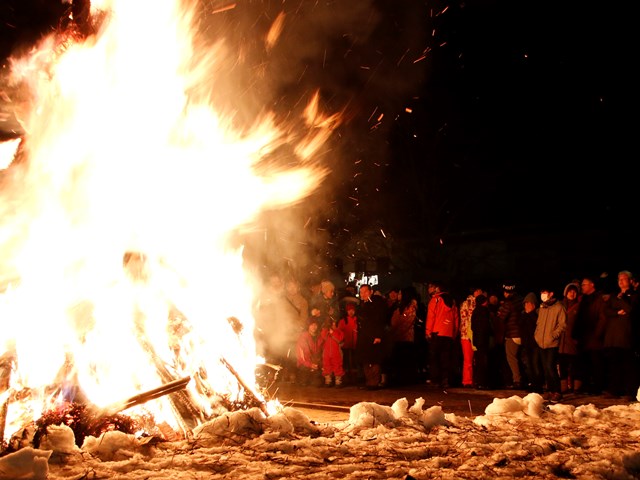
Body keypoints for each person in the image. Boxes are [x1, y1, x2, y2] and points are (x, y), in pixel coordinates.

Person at [602, 270, 638, 399]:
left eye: (623, 279)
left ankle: (630, 392)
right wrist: (617, 312)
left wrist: (622, 299)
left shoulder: (633, 295)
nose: (621, 281)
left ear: (630, 281)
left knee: (629, 365)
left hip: (626, 335)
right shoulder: (614, 295)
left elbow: (630, 309)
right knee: (614, 364)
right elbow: (606, 310)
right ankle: (614, 390)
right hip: (613, 336)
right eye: (619, 279)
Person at [572, 276, 608, 395]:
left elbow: (602, 318)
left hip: (594, 338)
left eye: (584, 285)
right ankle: (587, 385)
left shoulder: (599, 299)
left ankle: (598, 386)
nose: (581, 287)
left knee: (596, 362)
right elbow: (579, 318)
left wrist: (597, 334)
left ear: (592, 285)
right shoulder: (584, 300)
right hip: (584, 337)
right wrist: (575, 334)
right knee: (585, 363)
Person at [534, 286, 567, 402]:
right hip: (541, 342)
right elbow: (539, 323)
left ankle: (557, 391)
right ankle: (549, 390)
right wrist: (537, 335)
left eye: (545, 292)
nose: (542, 294)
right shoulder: (542, 307)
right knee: (545, 367)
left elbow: (562, 324)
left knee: (550, 366)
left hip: (552, 342)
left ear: (551, 293)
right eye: (541, 292)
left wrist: (554, 335)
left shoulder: (559, 307)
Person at [425, 281, 460, 389]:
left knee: (435, 358)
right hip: (448, 333)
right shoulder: (452, 301)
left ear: (438, 289)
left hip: (437, 332)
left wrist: (428, 331)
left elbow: (431, 317)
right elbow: (456, 319)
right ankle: (446, 380)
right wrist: (454, 333)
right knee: (446, 358)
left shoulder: (435, 300)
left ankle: (436, 380)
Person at [356, 283, 389, 389]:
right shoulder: (363, 304)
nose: (363, 294)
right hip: (365, 336)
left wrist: (378, 335)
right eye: (361, 292)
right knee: (366, 359)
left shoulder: (377, 303)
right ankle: (369, 382)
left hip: (373, 335)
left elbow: (379, 320)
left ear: (371, 292)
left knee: (374, 360)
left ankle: (374, 382)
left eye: (365, 291)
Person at [497, 283, 524, 389]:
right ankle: (524, 378)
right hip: (522, 333)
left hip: (512, 334)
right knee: (521, 358)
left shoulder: (508, 303)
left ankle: (517, 380)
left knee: (511, 358)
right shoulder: (521, 300)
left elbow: (501, 318)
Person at [388, 297, 419, 386]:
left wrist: (397, 331)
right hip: (399, 337)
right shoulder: (399, 306)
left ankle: (405, 379)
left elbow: (408, 322)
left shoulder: (410, 308)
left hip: (406, 338)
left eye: (401, 293)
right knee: (400, 359)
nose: (399, 295)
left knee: (405, 359)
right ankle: (400, 378)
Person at [458, 287, 484, 388]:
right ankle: (469, 380)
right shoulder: (470, 303)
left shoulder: (470, 303)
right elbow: (466, 319)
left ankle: (469, 380)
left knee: (470, 359)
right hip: (469, 334)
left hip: (468, 334)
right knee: (470, 359)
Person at [559, 282, 581, 394]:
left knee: (575, 365)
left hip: (573, 340)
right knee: (562, 365)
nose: (572, 293)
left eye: (574, 291)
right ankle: (564, 388)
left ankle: (576, 387)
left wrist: (577, 337)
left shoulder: (579, 306)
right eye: (570, 291)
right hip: (561, 341)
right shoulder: (560, 305)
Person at [519, 292, 542, 393]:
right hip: (526, 344)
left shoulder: (537, 315)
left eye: (530, 303)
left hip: (535, 344)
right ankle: (532, 383)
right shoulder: (523, 316)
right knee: (528, 366)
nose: (527, 306)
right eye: (526, 303)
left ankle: (538, 385)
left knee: (536, 365)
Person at [470, 294, 492, 390]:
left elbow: (472, 326)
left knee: (478, 361)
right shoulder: (485, 311)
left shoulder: (475, 311)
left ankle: (478, 382)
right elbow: (487, 326)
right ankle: (483, 382)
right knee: (483, 362)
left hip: (477, 340)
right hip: (483, 339)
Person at [295, 317, 324, 387]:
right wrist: (310, 365)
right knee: (303, 383)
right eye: (312, 325)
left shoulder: (319, 337)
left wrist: (320, 364)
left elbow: (322, 353)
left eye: (315, 325)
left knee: (317, 384)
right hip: (305, 365)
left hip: (316, 365)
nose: (314, 327)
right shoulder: (303, 337)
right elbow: (301, 357)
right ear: (308, 326)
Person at [320, 316, 346, 387]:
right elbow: (323, 337)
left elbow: (339, 340)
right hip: (327, 352)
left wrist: (333, 332)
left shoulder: (339, 331)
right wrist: (326, 329)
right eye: (331, 323)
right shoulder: (325, 331)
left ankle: (338, 381)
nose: (333, 325)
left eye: (334, 323)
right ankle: (328, 381)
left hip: (336, 352)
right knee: (327, 365)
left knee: (337, 365)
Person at [337, 302, 359, 385]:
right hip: (346, 345)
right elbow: (339, 332)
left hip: (355, 345)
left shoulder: (357, 320)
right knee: (345, 363)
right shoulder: (343, 321)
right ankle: (346, 379)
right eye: (349, 310)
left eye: (352, 310)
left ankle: (354, 379)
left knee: (354, 363)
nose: (351, 312)